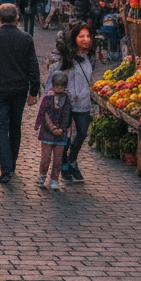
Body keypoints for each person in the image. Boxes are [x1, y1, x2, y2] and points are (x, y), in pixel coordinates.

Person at [0, 3, 40, 183]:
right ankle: (11, 164)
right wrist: (34, 90)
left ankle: (6, 168)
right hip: (19, 89)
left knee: (1, 128)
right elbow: (33, 67)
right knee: (15, 127)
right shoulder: (26, 38)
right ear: (17, 17)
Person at [48, 22, 95, 184]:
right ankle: (64, 165)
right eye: (81, 36)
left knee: (82, 132)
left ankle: (72, 159)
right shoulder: (64, 57)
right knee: (65, 135)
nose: (86, 40)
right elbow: (53, 76)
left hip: (83, 101)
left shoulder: (90, 57)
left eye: (88, 36)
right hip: (66, 101)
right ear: (74, 38)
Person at [34, 71, 72, 190]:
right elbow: (45, 114)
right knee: (46, 158)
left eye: (61, 87)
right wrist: (53, 128)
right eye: (57, 87)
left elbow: (66, 115)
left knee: (58, 159)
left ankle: (54, 179)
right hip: (47, 133)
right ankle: (42, 176)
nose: (59, 90)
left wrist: (62, 128)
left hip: (61, 134)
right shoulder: (48, 98)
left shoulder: (66, 99)